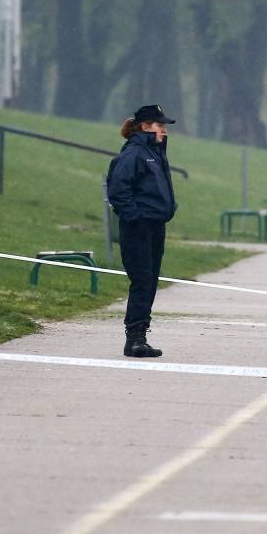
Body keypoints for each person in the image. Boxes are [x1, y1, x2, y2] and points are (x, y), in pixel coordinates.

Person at [105, 105, 178, 359]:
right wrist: (135, 217)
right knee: (142, 281)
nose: (165, 131)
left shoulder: (155, 153)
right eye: (161, 126)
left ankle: (141, 335)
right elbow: (117, 190)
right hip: (139, 227)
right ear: (146, 126)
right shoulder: (135, 153)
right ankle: (134, 338)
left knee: (150, 281)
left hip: (155, 226)